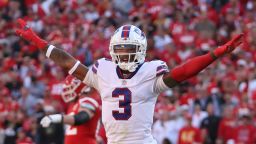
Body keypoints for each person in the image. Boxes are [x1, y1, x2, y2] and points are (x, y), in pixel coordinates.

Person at [16, 18, 243, 144]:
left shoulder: (150, 74)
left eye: (129, 50)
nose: (124, 55)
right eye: (120, 50)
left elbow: (184, 72)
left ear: (141, 50)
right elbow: (68, 63)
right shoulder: (102, 71)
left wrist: (216, 53)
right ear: (113, 51)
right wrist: (37, 41)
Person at [40, 75, 101, 144]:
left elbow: (80, 118)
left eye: (71, 87)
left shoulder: (88, 100)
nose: (67, 90)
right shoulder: (73, 105)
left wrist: (55, 118)